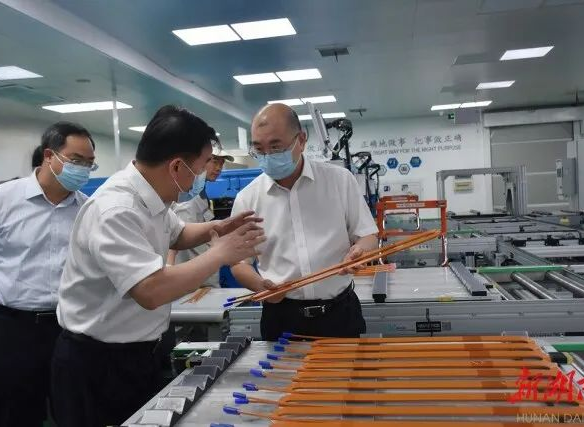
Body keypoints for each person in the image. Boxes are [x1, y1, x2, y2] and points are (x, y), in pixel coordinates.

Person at [50, 105, 265, 427]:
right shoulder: (117, 209)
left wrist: (217, 228)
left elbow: (178, 234)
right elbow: (150, 290)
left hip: (140, 352)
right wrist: (220, 254)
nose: (203, 175)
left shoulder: (152, 196)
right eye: (202, 165)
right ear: (177, 166)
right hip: (98, 363)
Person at [0, 122, 97, 427]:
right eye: (76, 160)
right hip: (9, 329)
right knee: (9, 415)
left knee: (71, 412)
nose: (83, 169)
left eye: (89, 164)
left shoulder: (87, 209)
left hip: (66, 329)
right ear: (49, 156)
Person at [230, 103, 379, 341]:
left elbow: (368, 235)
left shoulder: (340, 181)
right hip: (281, 317)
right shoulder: (247, 198)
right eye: (258, 149)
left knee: (349, 367)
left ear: (301, 140)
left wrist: (360, 251)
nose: (267, 156)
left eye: (275, 147)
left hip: (338, 313)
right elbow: (239, 263)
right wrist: (261, 285)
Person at [0, 144, 48, 425]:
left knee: (43, 402)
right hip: (5, 321)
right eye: (77, 161)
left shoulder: (80, 205)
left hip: (58, 324)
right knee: (1, 405)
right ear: (46, 160)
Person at [167, 145, 235, 286]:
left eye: (222, 163)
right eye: (214, 161)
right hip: (194, 283)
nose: (219, 168)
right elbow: (177, 242)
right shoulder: (188, 200)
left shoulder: (200, 194)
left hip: (203, 279)